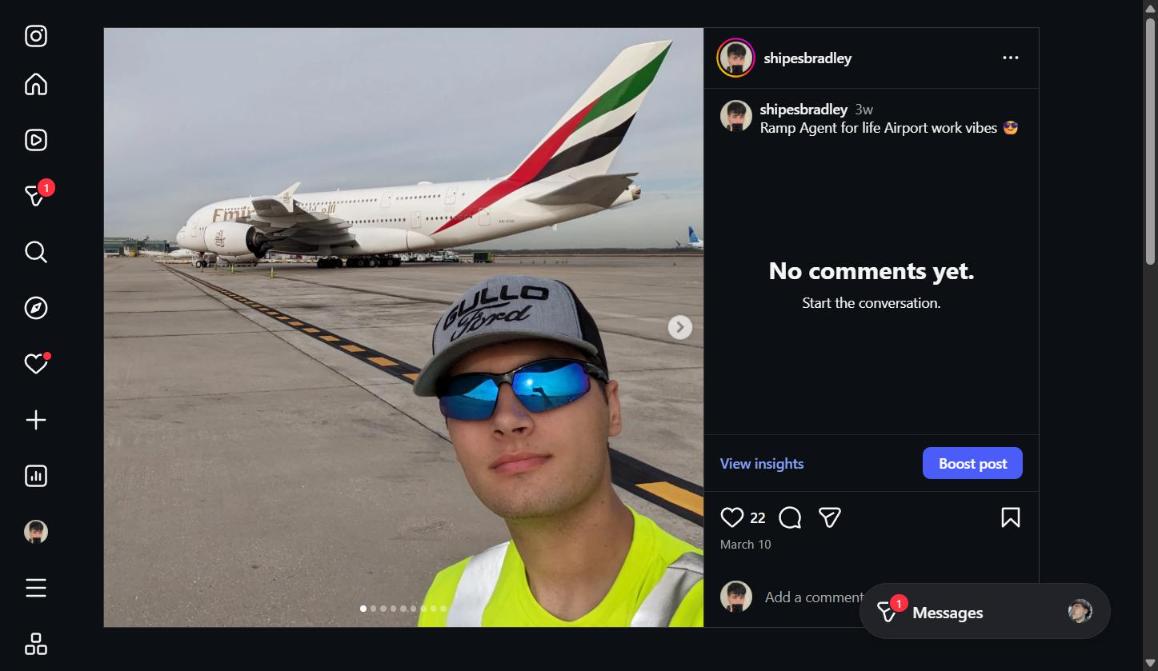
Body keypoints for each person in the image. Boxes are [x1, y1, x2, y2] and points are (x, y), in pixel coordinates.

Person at [413, 275, 703, 627]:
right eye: (467, 395)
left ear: (611, 408)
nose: (507, 419)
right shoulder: (450, 599)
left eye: (548, 381)